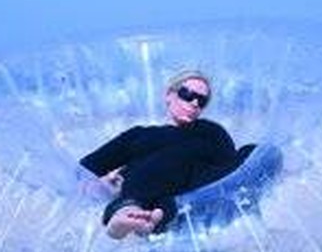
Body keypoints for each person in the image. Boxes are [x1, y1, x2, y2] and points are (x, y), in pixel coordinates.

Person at [79, 70, 243, 239]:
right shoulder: (139, 135)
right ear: (169, 95)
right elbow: (87, 167)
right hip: (154, 198)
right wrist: (103, 185)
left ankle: (136, 214)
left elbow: (229, 167)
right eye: (187, 94)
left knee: (249, 151)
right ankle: (134, 215)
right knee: (156, 176)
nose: (195, 103)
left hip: (194, 193)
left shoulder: (210, 132)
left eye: (202, 101)